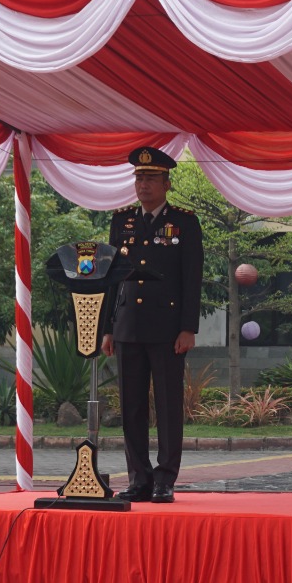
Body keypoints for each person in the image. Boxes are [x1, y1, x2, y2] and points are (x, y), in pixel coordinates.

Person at [100, 146, 203, 504]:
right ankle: (139, 478)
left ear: (167, 183)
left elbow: (192, 278)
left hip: (167, 327)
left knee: (168, 405)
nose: (143, 185)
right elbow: (112, 277)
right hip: (128, 325)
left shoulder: (184, 222)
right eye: (139, 178)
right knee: (131, 406)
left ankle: (165, 479)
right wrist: (107, 328)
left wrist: (188, 327)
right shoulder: (122, 221)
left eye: (151, 178)